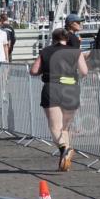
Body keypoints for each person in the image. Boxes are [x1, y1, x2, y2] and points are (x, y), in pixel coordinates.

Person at [30, 27, 88, 171]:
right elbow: (84, 71)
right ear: (67, 39)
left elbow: (34, 71)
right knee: (65, 128)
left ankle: (64, 148)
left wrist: (45, 68)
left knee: (55, 127)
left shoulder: (46, 51)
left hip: (52, 88)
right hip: (71, 89)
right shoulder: (76, 51)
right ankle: (64, 164)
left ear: (53, 38)